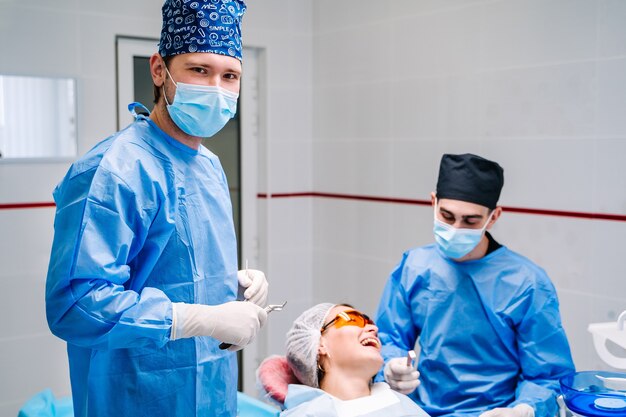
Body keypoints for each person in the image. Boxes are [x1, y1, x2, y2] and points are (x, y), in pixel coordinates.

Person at [45, 1, 269, 416]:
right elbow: (75, 306)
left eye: (230, 76)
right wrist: (196, 319)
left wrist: (230, 287)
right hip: (135, 398)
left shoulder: (209, 166)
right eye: (199, 70)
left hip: (212, 397)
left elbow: (177, 270)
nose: (216, 88)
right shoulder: (112, 170)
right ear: (158, 69)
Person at [375, 153, 575, 417]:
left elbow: (548, 375)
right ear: (433, 202)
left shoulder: (527, 283)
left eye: (470, 221)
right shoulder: (414, 267)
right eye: (446, 216)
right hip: (421, 410)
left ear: (493, 217)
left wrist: (523, 411)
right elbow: (390, 337)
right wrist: (390, 366)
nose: (456, 228)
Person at [278, 303, 430, 416]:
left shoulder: (403, 405)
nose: (374, 329)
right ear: (319, 344)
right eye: (353, 320)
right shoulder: (308, 414)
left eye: (371, 323)